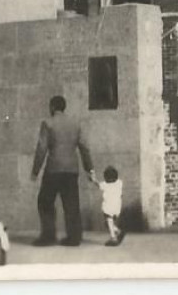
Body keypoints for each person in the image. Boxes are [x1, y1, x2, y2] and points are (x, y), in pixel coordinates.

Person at [31, 94, 94, 246]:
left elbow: (41, 149)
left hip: (53, 169)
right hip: (71, 169)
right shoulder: (75, 123)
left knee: (45, 201)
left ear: (52, 107)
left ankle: (48, 236)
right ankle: (74, 238)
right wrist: (89, 168)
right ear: (64, 107)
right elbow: (84, 148)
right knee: (71, 204)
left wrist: (35, 170)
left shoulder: (48, 123)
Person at [94, 165, 125, 246]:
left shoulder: (105, 185)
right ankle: (118, 231)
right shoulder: (119, 183)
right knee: (109, 223)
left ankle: (113, 237)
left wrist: (93, 179)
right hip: (117, 207)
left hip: (108, 207)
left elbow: (98, 184)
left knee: (108, 222)